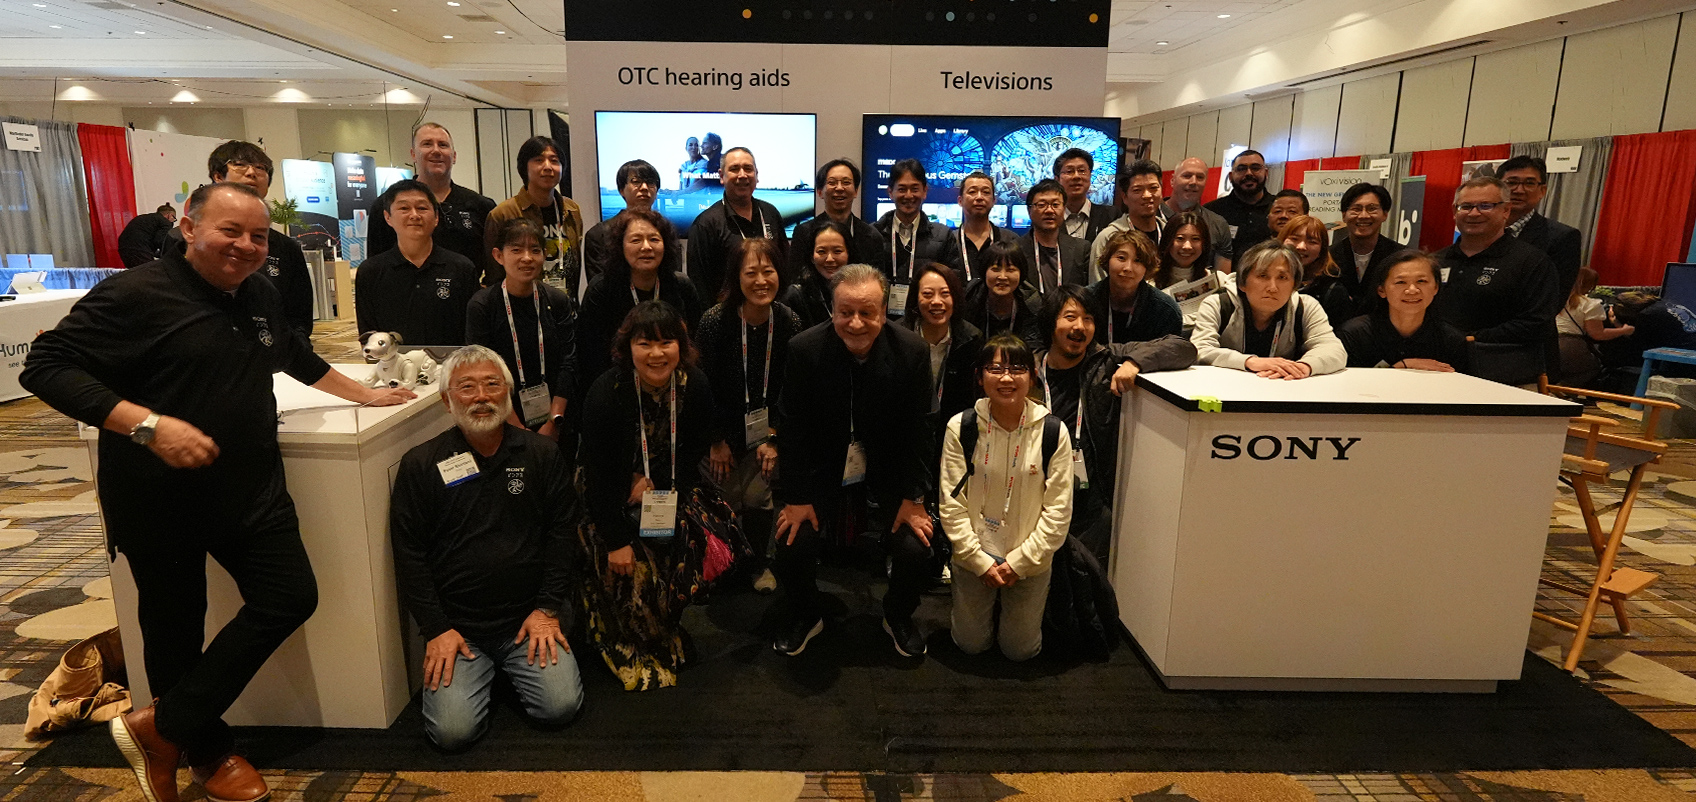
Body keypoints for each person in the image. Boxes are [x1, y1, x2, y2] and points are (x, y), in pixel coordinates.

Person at [21, 183, 414, 802]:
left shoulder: (257, 290)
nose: (246, 246)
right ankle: (206, 753)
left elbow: (291, 353)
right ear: (187, 225)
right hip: (159, 496)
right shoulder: (134, 294)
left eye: (258, 236)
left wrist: (366, 394)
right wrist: (146, 426)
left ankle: (162, 725)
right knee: (174, 631)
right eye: (230, 231)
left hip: (251, 489)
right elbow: (44, 365)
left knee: (289, 596)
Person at [389, 345, 583, 751]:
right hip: (460, 630)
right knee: (452, 734)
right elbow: (410, 554)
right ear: (446, 401)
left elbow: (563, 533)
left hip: (528, 620)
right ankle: (489, 675)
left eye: (493, 385)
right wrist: (437, 629)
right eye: (467, 387)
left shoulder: (542, 454)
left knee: (559, 708)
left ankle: (507, 672)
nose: (481, 396)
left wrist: (547, 609)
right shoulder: (420, 464)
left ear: (507, 395)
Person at [577, 301, 745, 691]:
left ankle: (661, 631)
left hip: (668, 488)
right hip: (608, 497)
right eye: (644, 344)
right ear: (627, 348)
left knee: (685, 552)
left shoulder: (695, 384)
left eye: (666, 342)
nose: (656, 354)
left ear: (681, 346)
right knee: (632, 567)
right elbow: (597, 473)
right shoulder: (607, 392)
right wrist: (618, 537)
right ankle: (627, 643)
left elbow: (692, 450)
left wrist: (663, 484)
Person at [772, 265, 935, 658]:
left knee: (918, 547)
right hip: (821, 467)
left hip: (889, 467)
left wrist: (914, 497)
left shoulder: (912, 350)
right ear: (832, 310)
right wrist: (795, 497)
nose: (856, 323)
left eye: (868, 313)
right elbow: (791, 430)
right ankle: (807, 615)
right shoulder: (804, 349)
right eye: (846, 312)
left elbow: (921, 429)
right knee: (792, 541)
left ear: (885, 312)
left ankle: (896, 615)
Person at [1032, 286, 1196, 563]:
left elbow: (1184, 348)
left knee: (1085, 590)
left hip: (1088, 506)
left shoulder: (1105, 361)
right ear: (1051, 323)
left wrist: (1135, 362)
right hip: (1034, 494)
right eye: (1070, 317)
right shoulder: (1028, 368)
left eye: (1088, 319)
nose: (1080, 326)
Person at [938, 334, 1072, 662]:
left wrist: (1020, 562)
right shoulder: (962, 426)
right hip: (975, 554)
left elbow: (1058, 510)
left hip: (1030, 557)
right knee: (970, 645)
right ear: (980, 377)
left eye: (1017, 369)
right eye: (995, 369)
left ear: (1032, 375)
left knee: (1020, 651)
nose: (1007, 378)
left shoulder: (1054, 432)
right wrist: (979, 560)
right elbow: (950, 504)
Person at [695, 237, 802, 594]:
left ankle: (758, 563)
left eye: (768, 271)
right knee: (720, 500)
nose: (761, 281)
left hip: (764, 434)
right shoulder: (715, 321)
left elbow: (792, 389)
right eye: (751, 272)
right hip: (720, 434)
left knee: (758, 499)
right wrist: (715, 440)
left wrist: (774, 439)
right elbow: (700, 386)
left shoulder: (789, 322)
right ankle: (716, 566)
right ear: (736, 277)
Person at [1434, 177, 1560, 385]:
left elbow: (1537, 322)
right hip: (1440, 371)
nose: (1474, 213)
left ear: (1506, 210)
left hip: (1506, 377)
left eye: (1486, 206)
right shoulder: (1436, 261)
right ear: (1454, 211)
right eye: (1466, 206)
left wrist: (1471, 339)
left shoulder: (1531, 262)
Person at [464, 218, 578, 439]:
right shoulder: (483, 305)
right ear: (499, 256)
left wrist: (554, 419)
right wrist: (514, 425)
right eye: (516, 250)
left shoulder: (557, 301)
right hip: (500, 417)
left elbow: (569, 362)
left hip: (556, 417)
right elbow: (481, 370)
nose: (527, 258)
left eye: (535, 250)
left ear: (544, 255)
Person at [576, 209, 703, 396]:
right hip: (618, 391)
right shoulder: (602, 289)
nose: (646, 247)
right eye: (636, 240)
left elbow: (692, 345)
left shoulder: (681, 286)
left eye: (654, 239)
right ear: (621, 246)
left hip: (674, 389)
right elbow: (590, 357)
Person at [202, 140, 315, 340]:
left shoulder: (285, 247)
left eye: (260, 168)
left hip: (274, 358)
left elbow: (299, 315)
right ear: (218, 176)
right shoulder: (190, 238)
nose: (252, 172)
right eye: (239, 165)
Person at [1192, 241, 1346, 379]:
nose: (1272, 288)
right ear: (1242, 283)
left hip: (1283, 388)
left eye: (1282, 278)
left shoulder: (1305, 306)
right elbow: (1200, 349)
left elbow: (1334, 350)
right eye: (1263, 276)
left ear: (1294, 285)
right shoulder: (1218, 304)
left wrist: (1303, 367)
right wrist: (1250, 362)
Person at [355, 178, 481, 347]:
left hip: (452, 368)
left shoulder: (461, 268)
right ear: (388, 217)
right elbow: (368, 336)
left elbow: (472, 333)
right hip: (393, 368)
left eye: (422, 208)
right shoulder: (370, 272)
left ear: (436, 217)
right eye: (404, 208)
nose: (414, 215)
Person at [367, 123, 497, 279]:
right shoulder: (386, 206)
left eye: (443, 145)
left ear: (454, 156)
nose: (436, 151)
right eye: (427, 144)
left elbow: (494, 269)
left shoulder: (482, 206)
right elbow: (375, 270)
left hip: (466, 300)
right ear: (413, 154)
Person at [1335, 250, 1470, 373]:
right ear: (1381, 290)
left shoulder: (1452, 341)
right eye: (1400, 282)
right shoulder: (1353, 335)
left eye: (1421, 281)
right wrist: (1402, 366)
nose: (1412, 290)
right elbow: (1347, 388)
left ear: (1436, 287)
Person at [905, 261, 985, 464]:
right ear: (915, 298)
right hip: (906, 439)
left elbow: (972, 399)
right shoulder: (899, 337)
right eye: (928, 294)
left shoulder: (971, 339)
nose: (937, 302)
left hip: (953, 439)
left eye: (945, 294)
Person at [686, 147, 790, 301]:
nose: (742, 175)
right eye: (734, 169)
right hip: (726, 318)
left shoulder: (770, 213)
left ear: (756, 174)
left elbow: (785, 267)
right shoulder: (706, 224)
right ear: (722, 176)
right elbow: (700, 285)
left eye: (748, 169)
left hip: (772, 313)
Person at [486, 136, 584, 291]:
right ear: (524, 167)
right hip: (521, 308)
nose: (547, 167)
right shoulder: (503, 214)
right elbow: (494, 273)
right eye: (539, 160)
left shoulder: (572, 210)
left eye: (554, 160)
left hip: (566, 308)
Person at [874, 159, 951, 316]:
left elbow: (952, 285)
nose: (908, 196)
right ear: (890, 192)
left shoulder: (943, 236)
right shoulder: (872, 234)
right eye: (901, 189)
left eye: (914, 189)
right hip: (881, 321)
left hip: (926, 319)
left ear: (925, 191)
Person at [787, 157, 887, 278]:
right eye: (832, 182)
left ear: (856, 191)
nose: (839, 188)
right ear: (819, 191)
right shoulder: (804, 233)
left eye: (846, 182)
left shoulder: (872, 236)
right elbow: (795, 278)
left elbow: (878, 283)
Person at [1499, 154, 1583, 298]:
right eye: (1511, 182)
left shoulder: (1562, 237)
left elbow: (1554, 298)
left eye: (1529, 183)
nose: (1519, 190)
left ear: (1542, 191)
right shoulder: (1480, 229)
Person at [1083, 229, 1183, 346]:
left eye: (1138, 260)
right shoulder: (1085, 301)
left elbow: (1170, 354)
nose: (1128, 268)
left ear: (1147, 267)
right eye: (1121, 258)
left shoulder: (1165, 310)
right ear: (1107, 260)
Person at [584, 160, 663, 286]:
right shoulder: (599, 234)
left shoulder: (665, 231)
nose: (644, 188)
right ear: (621, 190)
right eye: (636, 182)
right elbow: (598, 286)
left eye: (650, 183)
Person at [1329, 183, 1404, 312]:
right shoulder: (1328, 256)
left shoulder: (1401, 257)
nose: (1363, 215)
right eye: (1356, 209)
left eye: (1372, 209)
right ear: (1344, 215)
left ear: (1385, 214)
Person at [1152, 211, 1230, 331]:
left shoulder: (1220, 281)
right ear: (1168, 241)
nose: (1187, 246)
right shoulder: (1150, 284)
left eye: (1195, 239)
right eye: (1180, 238)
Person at [1556, 266, 1634, 386]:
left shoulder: (1555, 298)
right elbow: (1597, 334)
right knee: (1593, 369)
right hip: (1570, 346)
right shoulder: (1590, 304)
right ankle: (1562, 391)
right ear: (1591, 286)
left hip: (1546, 343)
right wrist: (1624, 330)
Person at [960, 241, 1043, 350]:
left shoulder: (1035, 305)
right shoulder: (968, 300)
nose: (1002, 276)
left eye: (1010, 270)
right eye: (995, 269)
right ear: (984, 272)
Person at [1090, 159, 1166, 274]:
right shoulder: (1109, 237)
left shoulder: (1170, 232)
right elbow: (1098, 286)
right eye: (1137, 190)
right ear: (1125, 197)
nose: (1147, 195)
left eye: (1153, 188)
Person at [1017, 178, 1090, 297]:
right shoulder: (1016, 249)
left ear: (1064, 208)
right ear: (1029, 210)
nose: (1049, 210)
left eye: (1055, 204)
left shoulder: (1081, 249)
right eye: (1042, 205)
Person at [1160, 157, 1233, 271]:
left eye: (1200, 177)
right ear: (1172, 180)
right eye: (1187, 176)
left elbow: (1222, 279)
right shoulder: (1151, 217)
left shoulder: (1218, 224)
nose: (1193, 182)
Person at [943, 171, 1018, 283]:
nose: (979, 197)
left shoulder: (1010, 240)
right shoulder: (948, 241)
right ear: (960, 201)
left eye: (986, 192)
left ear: (994, 201)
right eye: (972, 192)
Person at [1281, 214, 1354, 326]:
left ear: (1322, 249)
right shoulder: (1263, 279)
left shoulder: (1333, 291)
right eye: (1294, 239)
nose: (1301, 246)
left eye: (1312, 242)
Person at [1206, 150, 1274, 266]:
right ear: (1231, 176)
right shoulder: (1211, 212)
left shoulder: (1279, 209)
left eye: (1255, 168)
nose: (1248, 173)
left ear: (1266, 173)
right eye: (1241, 169)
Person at [779, 219, 850, 330]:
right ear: (812, 257)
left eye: (837, 251)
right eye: (821, 251)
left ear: (849, 254)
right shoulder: (796, 297)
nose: (830, 259)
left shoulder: (861, 292)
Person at [1054, 147, 1116, 244]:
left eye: (1082, 170)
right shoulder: (1050, 217)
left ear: (1090, 175)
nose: (1076, 176)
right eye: (1069, 171)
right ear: (1057, 179)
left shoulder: (1111, 216)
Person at [117, 204, 177, 268]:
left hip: (123, 249)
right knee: (150, 274)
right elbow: (160, 241)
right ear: (169, 215)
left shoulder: (145, 218)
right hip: (139, 249)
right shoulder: (165, 222)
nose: (173, 221)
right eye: (174, 218)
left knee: (136, 274)